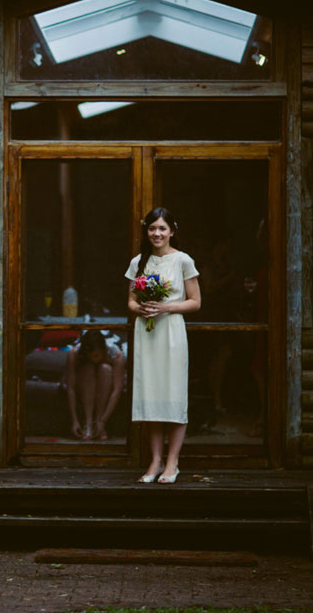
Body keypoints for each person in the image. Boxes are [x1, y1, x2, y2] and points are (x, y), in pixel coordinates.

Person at [125, 207, 201, 484]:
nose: (157, 233)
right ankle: (155, 460)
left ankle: (172, 462)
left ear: (172, 231)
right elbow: (131, 300)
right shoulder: (138, 262)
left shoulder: (182, 260)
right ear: (146, 232)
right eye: (152, 228)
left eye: (162, 228)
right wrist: (140, 309)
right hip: (147, 333)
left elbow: (195, 301)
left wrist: (166, 307)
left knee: (173, 393)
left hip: (171, 331)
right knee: (151, 394)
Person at [65, 330, 126, 440]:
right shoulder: (74, 353)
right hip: (84, 381)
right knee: (88, 368)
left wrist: (103, 420)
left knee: (105, 369)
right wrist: (74, 421)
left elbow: (117, 389)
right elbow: (70, 388)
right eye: (90, 356)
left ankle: (98, 422)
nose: (93, 359)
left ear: (103, 350)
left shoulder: (116, 354)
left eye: (97, 355)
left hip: (106, 382)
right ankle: (88, 422)